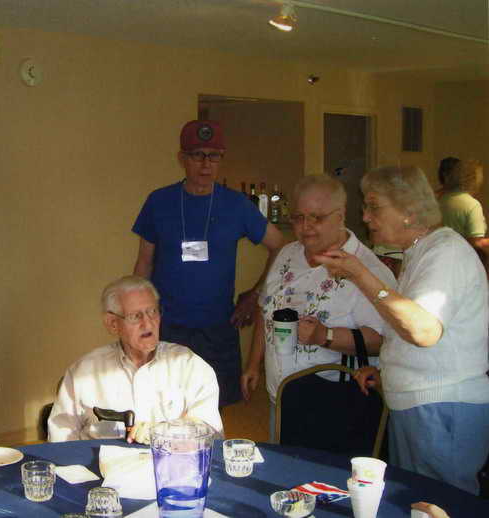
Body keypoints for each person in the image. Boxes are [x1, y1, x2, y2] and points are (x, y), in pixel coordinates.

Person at [316, 165, 489, 495]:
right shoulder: (421, 253)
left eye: (374, 207)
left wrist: (360, 275)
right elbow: (413, 326)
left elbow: (423, 331)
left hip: (443, 407)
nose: (365, 217)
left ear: (409, 211)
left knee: (440, 505)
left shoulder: (447, 252)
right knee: (417, 503)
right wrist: (388, 373)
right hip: (424, 405)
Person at [132, 120, 285, 407]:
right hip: (167, 327)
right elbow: (144, 263)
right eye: (197, 155)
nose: (206, 164)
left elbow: (280, 247)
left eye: (214, 156)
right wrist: (136, 318)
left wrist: (257, 294)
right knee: (163, 407)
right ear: (182, 158)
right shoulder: (159, 202)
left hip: (218, 330)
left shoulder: (237, 205)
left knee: (214, 411)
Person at [240, 175, 395, 440]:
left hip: (336, 405)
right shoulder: (287, 254)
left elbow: (385, 342)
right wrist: (253, 364)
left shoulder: (368, 270)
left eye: (317, 217)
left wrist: (325, 336)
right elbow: (266, 309)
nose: (306, 227)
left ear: (341, 216)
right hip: (281, 397)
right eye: (298, 217)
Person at [47, 275, 223, 443]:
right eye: (135, 316)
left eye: (152, 312)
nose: (148, 323)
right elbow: (59, 440)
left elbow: (212, 433)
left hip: (172, 463)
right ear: (113, 324)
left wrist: (166, 432)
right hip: (101, 464)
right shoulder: (83, 373)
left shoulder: (190, 366)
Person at [437, 157, 489, 264]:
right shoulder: (472, 205)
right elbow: (476, 243)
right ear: (475, 180)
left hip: (442, 258)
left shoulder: (441, 199)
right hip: (464, 261)